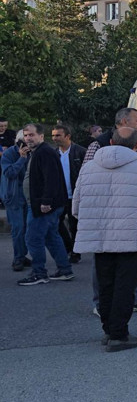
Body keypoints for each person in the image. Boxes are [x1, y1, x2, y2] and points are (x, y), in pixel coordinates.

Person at [72, 127, 137, 352]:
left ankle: (109, 330)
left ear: (111, 142)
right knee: (126, 286)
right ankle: (119, 334)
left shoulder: (89, 168)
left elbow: (76, 207)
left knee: (105, 285)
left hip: (100, 237)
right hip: (133, 237)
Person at [84, 107, 137, 314]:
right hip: (106, 216)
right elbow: (87, 182)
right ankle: (102, 304)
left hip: (133, 216)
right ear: (125, 121)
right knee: (104, 264)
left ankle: (136, 298)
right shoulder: (97, 145)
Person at [17, 123, 74, 286]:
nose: (28, 138)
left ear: (41, 136)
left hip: (42, 206)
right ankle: (65, 270)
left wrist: (46, 201)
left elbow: (52, 178)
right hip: (44, 204)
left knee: (33, 238)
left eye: (32, 135)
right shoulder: (39, 152)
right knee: (51, 236)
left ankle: (39, 273)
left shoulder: (45, 152)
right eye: (26, 135)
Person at [51, 125, 86, 264]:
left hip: (75, 195)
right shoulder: (53, 153)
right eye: (53, 135)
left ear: (68, 136)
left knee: (74, 225)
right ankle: (68, 247)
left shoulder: (80, 152)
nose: (54, 138)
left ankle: (76, 252)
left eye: (58, 135)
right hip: (59, 196)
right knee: (56, 223)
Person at [1, 130, 31, 270]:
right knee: (18, 228)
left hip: (28, 195)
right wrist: (21, 159)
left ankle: (22, 255)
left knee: (27, 228)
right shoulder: (9, 154)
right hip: (13, 196)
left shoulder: (33, 153)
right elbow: (9, 173)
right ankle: (18, 258)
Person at [0, 117, 16, 208]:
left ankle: (5, 199)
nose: (3, 128)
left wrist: (8, 150)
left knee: (6, 180)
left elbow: (15, 145)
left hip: (8, 160)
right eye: (1, 126)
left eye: (5, 126)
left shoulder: (11, 133)